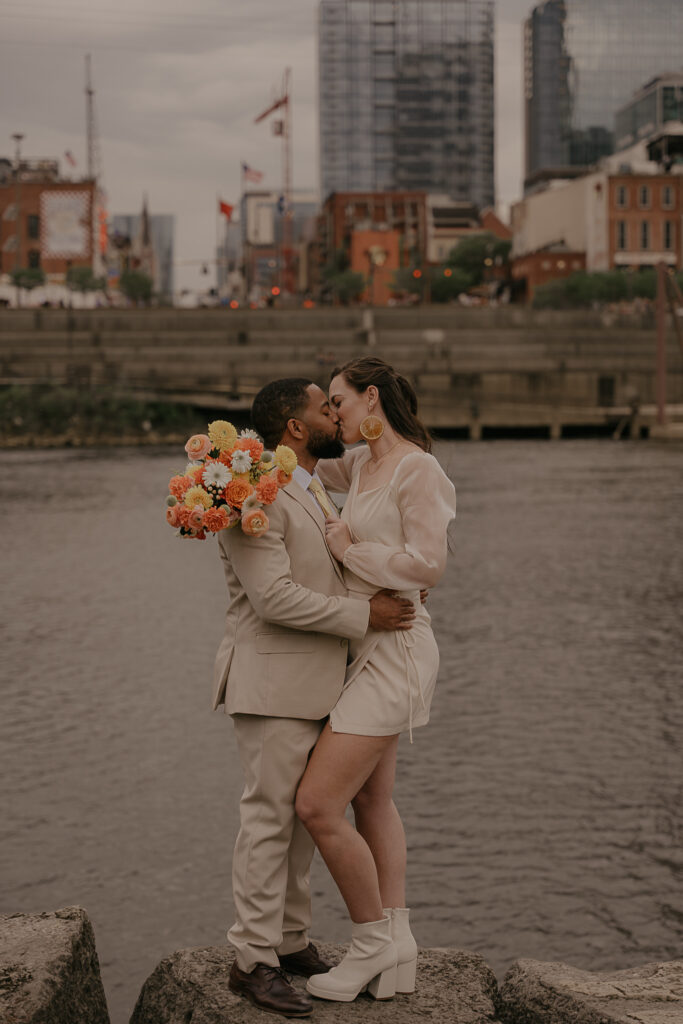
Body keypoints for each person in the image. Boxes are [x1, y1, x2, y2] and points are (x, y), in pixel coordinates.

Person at [213, 377, 415, 1018]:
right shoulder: (252, 496)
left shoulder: (314, 486)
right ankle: (251, 959)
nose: (335, 414)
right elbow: (272, 598)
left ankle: (291, 940)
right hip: (272, 683)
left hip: (322, 682)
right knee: (268, 821)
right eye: (325, 408)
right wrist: (365, 615)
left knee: (304, 819)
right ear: (295, 428)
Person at [294, 357, 456, 1004]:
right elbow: (299, 457)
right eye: (327, 404)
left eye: (339, 401)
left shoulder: (419, 468)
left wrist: (347, 551)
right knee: (371, 802)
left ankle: (369, 945)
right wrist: (228, 463)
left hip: (398, 648)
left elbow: (428, 567)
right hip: (366, 643)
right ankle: (399, 945)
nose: (334, 415)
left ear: (370, 398)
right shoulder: (360, 463)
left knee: (316, 805)